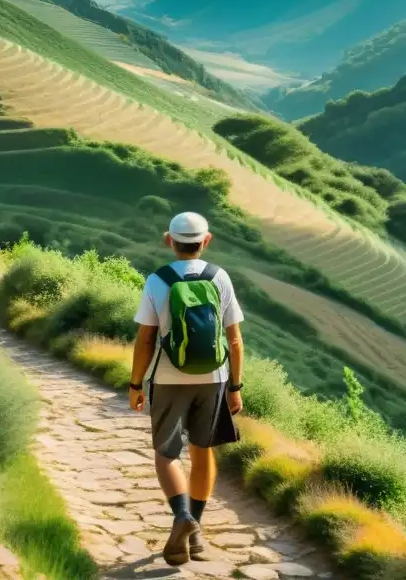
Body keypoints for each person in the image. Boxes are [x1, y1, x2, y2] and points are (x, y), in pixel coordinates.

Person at [128, 211, 245, 566]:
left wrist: (136, 383)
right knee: (202, 450)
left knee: (166, 454)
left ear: (169, 241)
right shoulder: (219, 277)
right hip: (214, 378)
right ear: (206, 241)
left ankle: (182, 516)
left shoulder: (157, 280)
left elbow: (145, 339)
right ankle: (197, 533)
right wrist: (235, 387)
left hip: (167, 377)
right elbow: (235, 340)